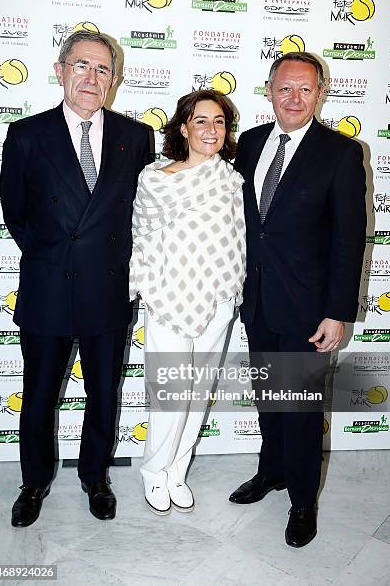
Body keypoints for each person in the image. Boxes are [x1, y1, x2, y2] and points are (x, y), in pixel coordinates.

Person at [0, 31, 150, 527]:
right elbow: (16, 215)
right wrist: (53, 257)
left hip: (107, 288)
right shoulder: (26, 135)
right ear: (61, 69)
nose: (91, 77)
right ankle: (34, 480)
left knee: (103, 393)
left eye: (103, 69)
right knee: (40, 393)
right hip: (48, 287)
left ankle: (95, 477)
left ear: (114, 79)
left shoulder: (136, 137)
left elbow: (142, 215)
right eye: (82, 65)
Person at [229, 52, 366, 547]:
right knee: (269, 398)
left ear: (321, 93)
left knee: (302, 408)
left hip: (310, 308)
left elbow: (349, 240)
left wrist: (337, 312)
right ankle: (272, 472)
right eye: (284, 88)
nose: (294, 98)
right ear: (268, 91)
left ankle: (303, 500)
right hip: (258, 299)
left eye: (305, 89)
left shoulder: (341, 153)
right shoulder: (248, 143)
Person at [130, 90, 245, 515]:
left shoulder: (230, 178)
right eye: (201, 120)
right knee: (170, 391)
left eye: (219, 122)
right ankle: (153, 472)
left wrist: (232, 288)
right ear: (183, 127)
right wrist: (147, 285)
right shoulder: (154, 179)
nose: (211, 129)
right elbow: (140, 235)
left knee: (198, 393)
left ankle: (177, 471)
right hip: (169, 297)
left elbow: (238, 239)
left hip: (217, 297)